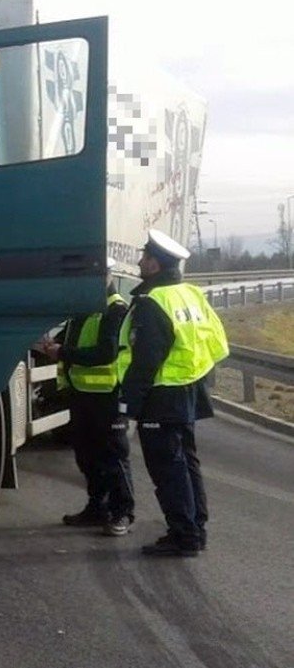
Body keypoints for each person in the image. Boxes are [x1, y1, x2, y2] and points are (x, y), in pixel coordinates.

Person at [117, 229, 229, 558]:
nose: (139, 261)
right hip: (189, 390)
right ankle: (196, 528)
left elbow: (145, 361)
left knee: (168, 469)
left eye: (144, 257)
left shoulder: (154, 303)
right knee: (187, 463)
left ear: (155, 264)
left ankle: (184, 535)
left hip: (161, 395)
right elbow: (217, 343)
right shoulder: (192, 294)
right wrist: (196, 373)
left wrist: (126, 406)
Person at [52, 268, 134, 535]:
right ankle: (96, 507)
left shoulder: (116, 310)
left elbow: (106, 353)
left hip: (108, 397)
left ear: (108, 276)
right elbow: (66, 339)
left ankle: (122, 513)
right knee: (86, 455)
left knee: (114, 458)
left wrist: (62, 352)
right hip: (82, 394)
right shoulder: (84, 309)